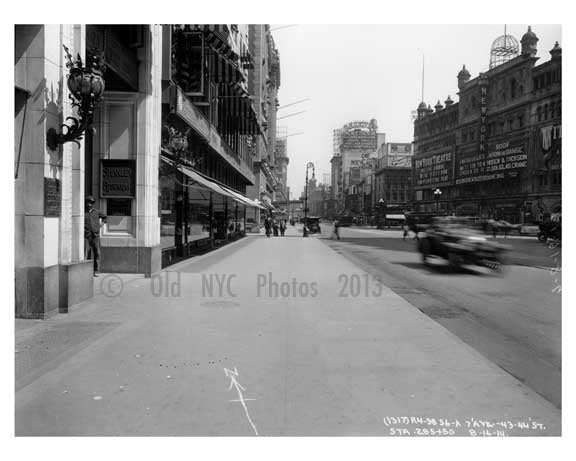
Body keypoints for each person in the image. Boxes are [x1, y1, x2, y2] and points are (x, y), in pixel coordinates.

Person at [84, 196, 107, 277]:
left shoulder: (96, 212)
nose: (90, 204)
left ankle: (96, 270)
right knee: (87, 253)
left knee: (97, 253)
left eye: (91, 203)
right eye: (88, 202)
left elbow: (105, 217)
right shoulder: (83, 212)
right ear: (86, 203)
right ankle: (87, 271)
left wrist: (101, 224)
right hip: (87, 236)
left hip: (95, 236)